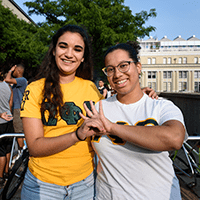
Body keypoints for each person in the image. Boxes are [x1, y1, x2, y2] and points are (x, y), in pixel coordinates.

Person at [20, 25, 157, 200]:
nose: (69, 54)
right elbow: (34, 147)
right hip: (43, 185)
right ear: (53, 50)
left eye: (77, 49)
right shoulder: (34, 89)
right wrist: (77, 135)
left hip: (85, 185)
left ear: (83, 57)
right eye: (63, 46)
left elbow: (119, 108)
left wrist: (142, 94)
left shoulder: (92, 89)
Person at [79, 41, 187, 199]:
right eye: (110, 69)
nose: (117, 74)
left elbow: (175, 138)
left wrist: (112, 127)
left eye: (124, 65)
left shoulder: (161, 106)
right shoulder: (98, 108)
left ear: (138, 67)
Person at [5, 64, 27, 150]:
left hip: (18, 109)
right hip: (17, 108)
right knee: (20, 130)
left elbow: (7, 79)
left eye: (14, 70)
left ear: (18, 71)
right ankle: (22, 150)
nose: (12, 72)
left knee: (18, 131)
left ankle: (21, 151)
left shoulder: (22, 80)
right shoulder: (18, 82)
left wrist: (10, 70)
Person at [0, 74, 14, 189]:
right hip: (9, 119)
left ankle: (0, 177)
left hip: (1, 121)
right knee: (8, 147)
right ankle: (6, 172)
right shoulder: (8, 87)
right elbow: (10, 103)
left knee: (1, 152)